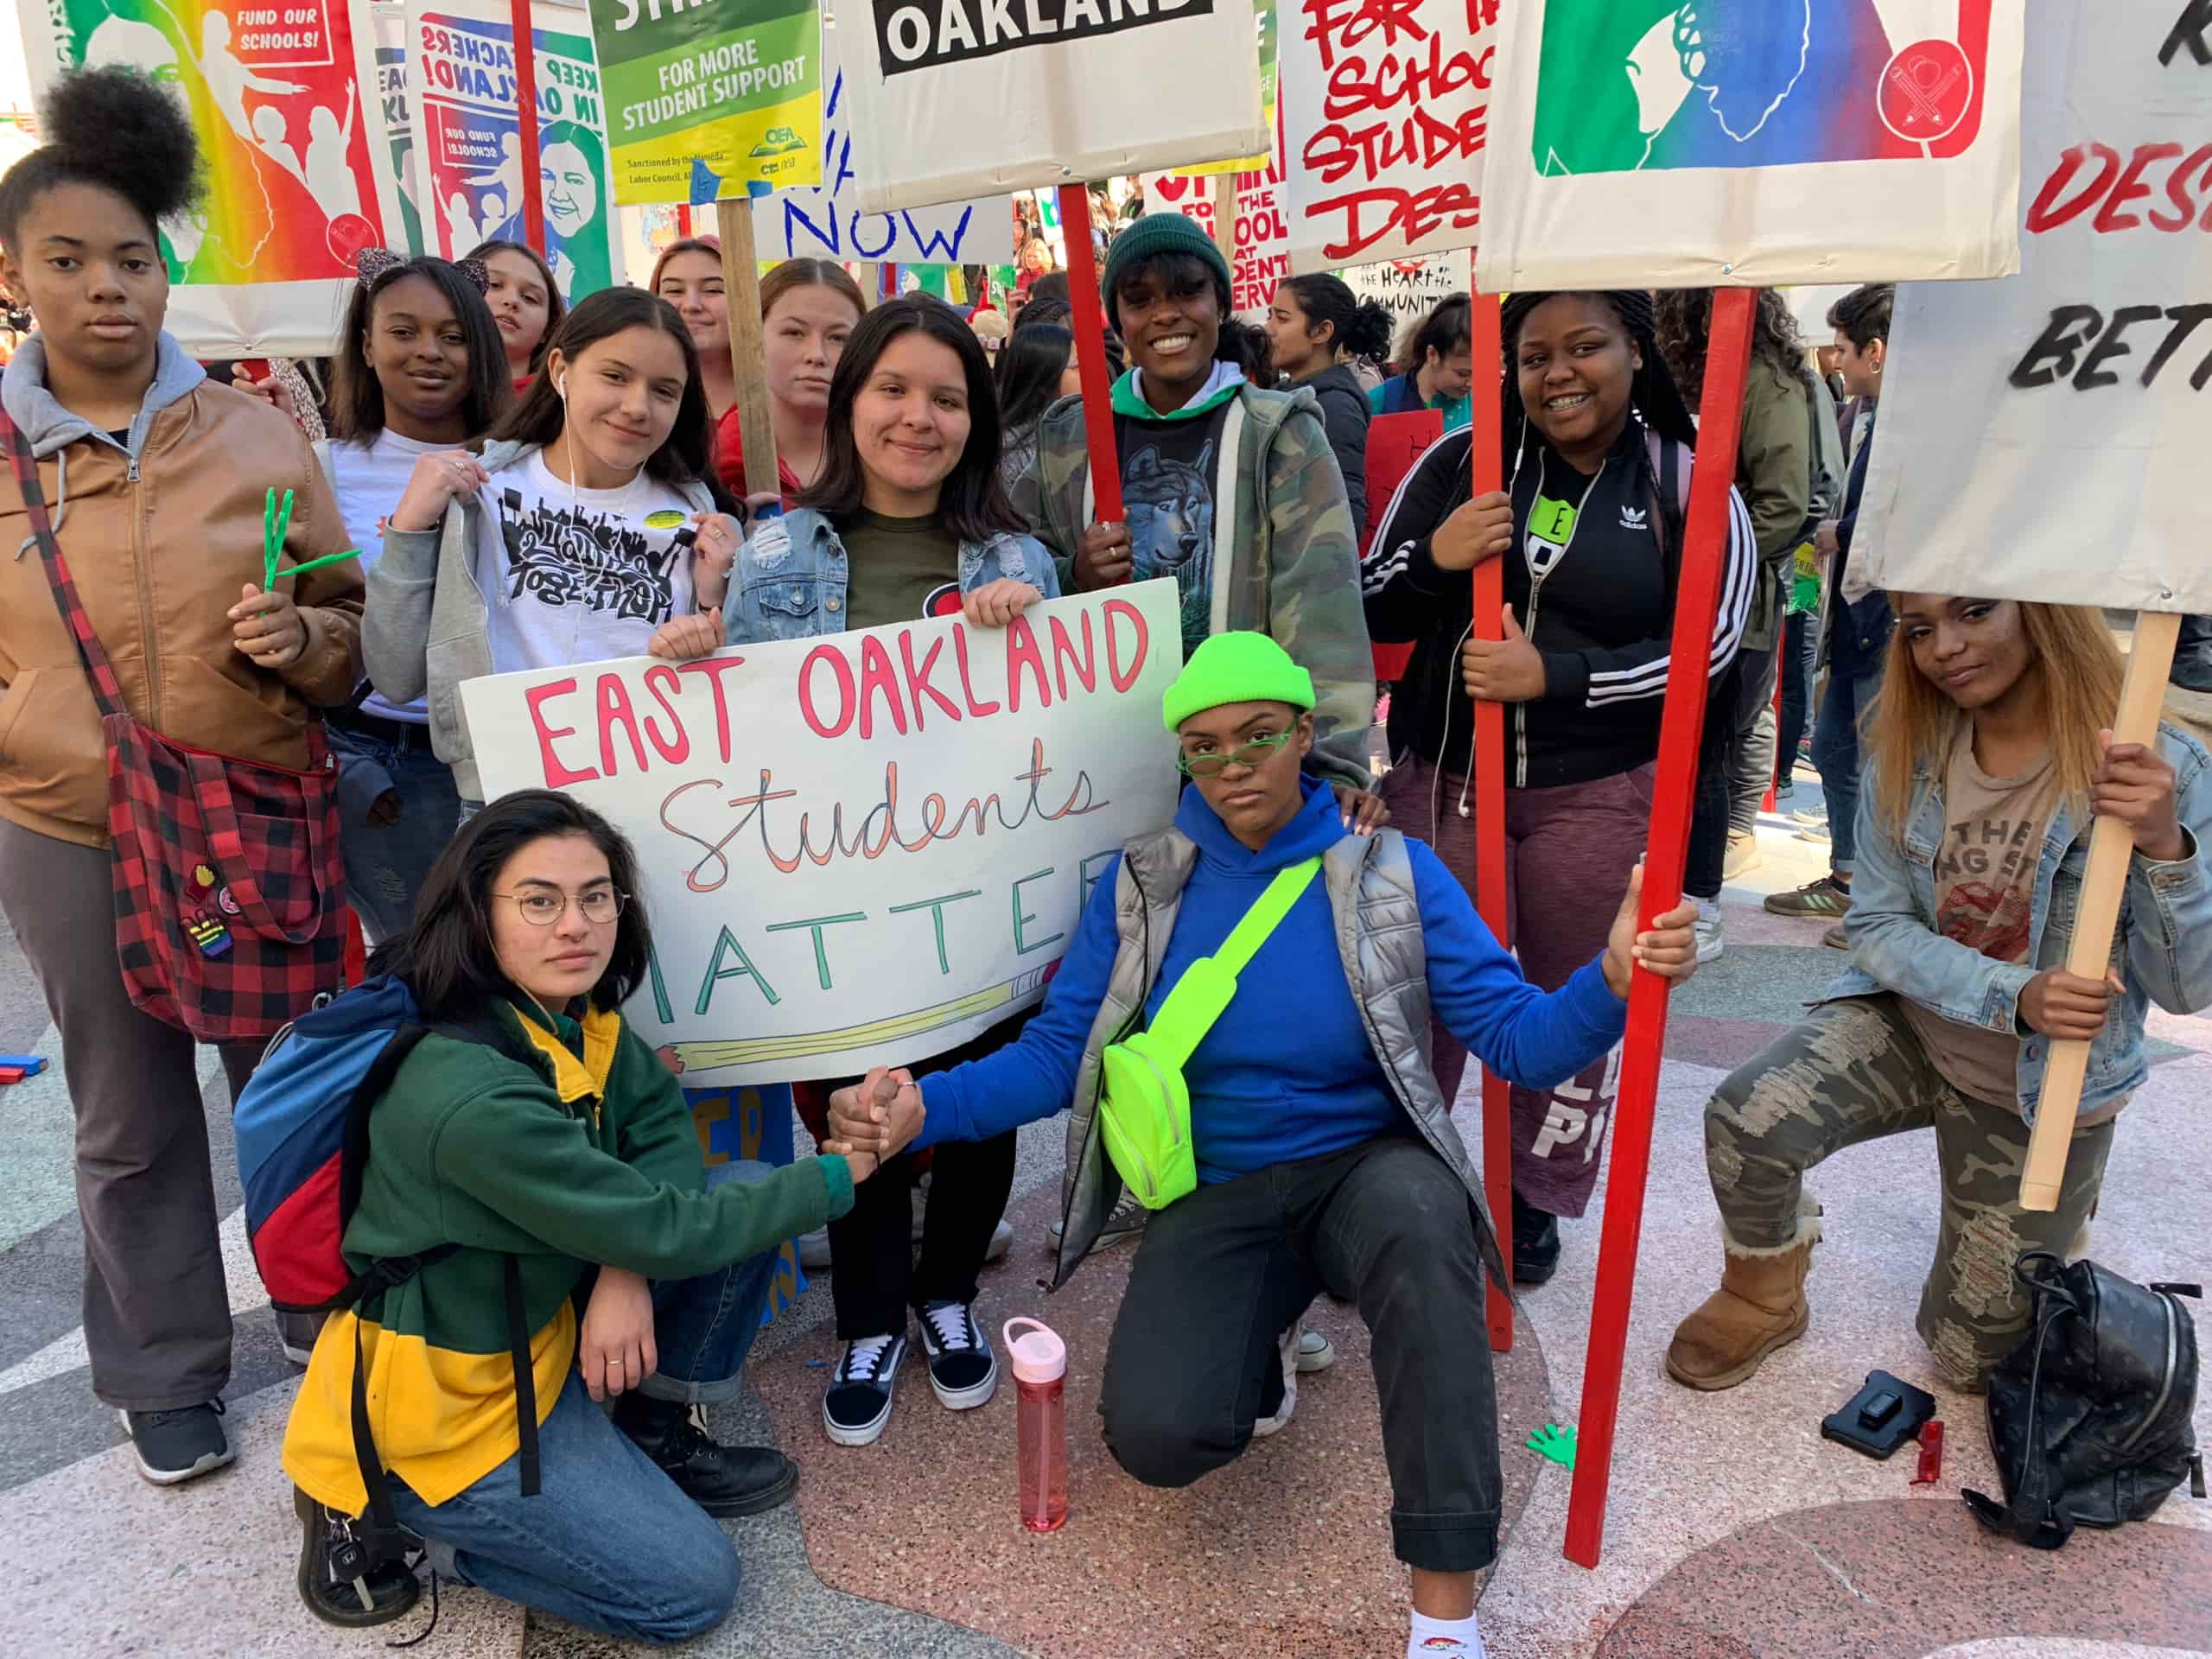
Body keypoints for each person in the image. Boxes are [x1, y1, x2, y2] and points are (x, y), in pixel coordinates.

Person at [823, 632, 1700, 1659]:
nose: (1232, 763)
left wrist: (1608, 980)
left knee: (1427, 1230)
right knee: (1157, 1439)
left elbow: (1515, 1036)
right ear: (1180, 759)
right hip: (1215, 1188)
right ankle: (1263, 1341)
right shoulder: (1141, 886)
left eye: (1257, 735)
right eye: (1203, 746)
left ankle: (1445, 1619)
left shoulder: (1392, 873)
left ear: (1303, 735)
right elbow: (1063, 1054)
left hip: (1367, 1171)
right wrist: (923, 1106)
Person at [0, 67, 364, 1483]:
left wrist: (306, 641)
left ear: (167, 268)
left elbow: (348, 637)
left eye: (133, 259)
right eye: (69, 261)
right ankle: (162, 1371)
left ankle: (319, 1299)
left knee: (281, 1076)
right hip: (76, 837)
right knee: (128, 1106)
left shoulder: (261, 434)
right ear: (15, 277)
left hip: (240, 838)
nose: (109, 289)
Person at [283, 791, 878, 1637]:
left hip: (537, 1331)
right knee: (690, 1592)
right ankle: (398, 1513)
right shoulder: (468, 1094)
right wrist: (841, 1168)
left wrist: (623, 1268)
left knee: (735, 1180)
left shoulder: (567, 1016)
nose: (576, 925)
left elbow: (656, 1124)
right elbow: (671, 1226)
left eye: (595, 896)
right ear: (477, 915)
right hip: (456, 1404)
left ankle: (652, 1426)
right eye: (539, 900)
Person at [649, 296, 1054, 1448]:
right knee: (852, 1113)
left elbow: (1065, 729)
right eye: (893, 390)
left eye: (944, 397)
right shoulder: (778, 551)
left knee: (976, 1108)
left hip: (981, 901)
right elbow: (744, 735)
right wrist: (700, 653)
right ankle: (872, 1313)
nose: (916, 418)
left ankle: (949, 1294)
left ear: (974, 418)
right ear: (851, 399)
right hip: (829, 903)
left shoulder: (1018, 557)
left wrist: (1026, 630)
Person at [1667, 597, 2211, 1395]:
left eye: (1974, 614)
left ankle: (2058, 1216)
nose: (1943, 649)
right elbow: (1879, 925)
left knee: (1971, 1365)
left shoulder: (2156, 766)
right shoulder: (1913, 749)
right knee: (1747, 1117)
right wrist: (2014, 992)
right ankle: (1764, 1289)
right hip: (1916, 1028)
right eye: (1918, 629)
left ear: (2043, 612)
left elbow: (2187, 988)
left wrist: (2166, 846)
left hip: (2045, 1088)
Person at [1360, 289, 1756, 1281]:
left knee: (1576, 1000)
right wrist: (1438, 560)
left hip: (1598, 793)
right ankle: (1402, 1178)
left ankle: (1534, 1199)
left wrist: (1558, 679)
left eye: (1585, 347)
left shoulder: (1688, 480)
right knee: (1423, 997)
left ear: (1635, 351)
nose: (1559, 373)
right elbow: (1364, 596)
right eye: (1534, 355)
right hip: (1444, 783)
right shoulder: (1459, 462)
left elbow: (1710, 648)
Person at [1014, 211, 1376, 794]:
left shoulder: (1278, 436)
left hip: (1240, 769)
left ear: (1220, 303)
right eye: (1140, 299)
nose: (1166, 313)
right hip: (1096, 771)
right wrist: (1073, 573)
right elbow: (1010, 565)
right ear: (1117, 319)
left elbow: (1323, 607)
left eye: (1187, 292)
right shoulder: (1071, 437)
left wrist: (1331, 771)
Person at [363, 287, 741, 816]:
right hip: (501, 807)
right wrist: (409, 528)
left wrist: (712, 607)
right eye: (615, 376)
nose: (636, 407)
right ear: (561, 369)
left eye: (664, 391)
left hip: (657, 805)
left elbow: (737, 702)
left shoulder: (701, 524)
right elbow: (395, 675)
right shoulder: (478, 494)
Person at [315, 251, 511, 954]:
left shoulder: (525, 462)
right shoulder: (321, 467)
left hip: (508, 750)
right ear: (366, 344)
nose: (429, 351)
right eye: (404, 331)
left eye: (453, 335)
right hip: (384, 759)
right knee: (419, 960)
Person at [1657, 289, 1811, 959]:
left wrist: (1709, 561)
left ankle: (1701, 901)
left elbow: (1784, 502)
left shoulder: (1762, 380)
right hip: (1683, 600)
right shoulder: (1707, 373)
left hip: (1731, 610)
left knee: (1704, 758)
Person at [1765, 283, 1896, 945]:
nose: (1834, 361)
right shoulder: (1865, 414)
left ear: (1876, 350)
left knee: (1882, 762)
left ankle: (1880, 904)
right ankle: (1849, 882)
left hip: (1893, 619)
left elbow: (1903, 515)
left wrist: (1834, 534)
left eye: (1842, 349)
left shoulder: (1914, 422)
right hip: (1856, 611)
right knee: (1840, 746)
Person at [713, 257, 867, 505]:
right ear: (754, 336)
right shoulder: (713, 470)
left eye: (838, 338)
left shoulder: (890, 459)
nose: (816, 355)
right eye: (794, 333)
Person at [1265, 274, 1395, 539]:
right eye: (1270, 316)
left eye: (1282, 318)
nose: (1269, 328)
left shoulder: (1337, 407)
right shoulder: (1280, 393)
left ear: (1322, 331)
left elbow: (1344, 514)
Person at [651, 236, 734, 433]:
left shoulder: (777, 390)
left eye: (713, 290)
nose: (691, 305)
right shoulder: (635, 394)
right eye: (675, 290)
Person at [993, 320, 1080, 495]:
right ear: (1046, 378)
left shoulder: (1075, 428)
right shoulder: (1018, 459)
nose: (1088, 372)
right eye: (1077, 366)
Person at [467, 238, 563, 392]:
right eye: (495, 285)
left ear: (548, 329)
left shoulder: (565, 406)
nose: (512, 300)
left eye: (530, 298)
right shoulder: (424, 395)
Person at [1369, 293, 1474, 432]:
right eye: (1463, 374)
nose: (1472, 383)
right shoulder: (1382, 399)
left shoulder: (1483, 404)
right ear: (1432, 354)